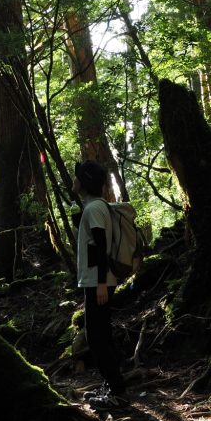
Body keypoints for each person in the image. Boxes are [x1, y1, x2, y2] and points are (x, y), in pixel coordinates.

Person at [73, 159, 128, 408]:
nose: (73, 181)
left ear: (84, 182)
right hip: (97, 281)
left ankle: (116, 392)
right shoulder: (94, 206)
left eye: (77, 177)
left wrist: (102, 283)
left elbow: (101, 246)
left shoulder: (94, 208)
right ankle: (112, 385)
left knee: (96, 338)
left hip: (98, 282)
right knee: (101, 335)